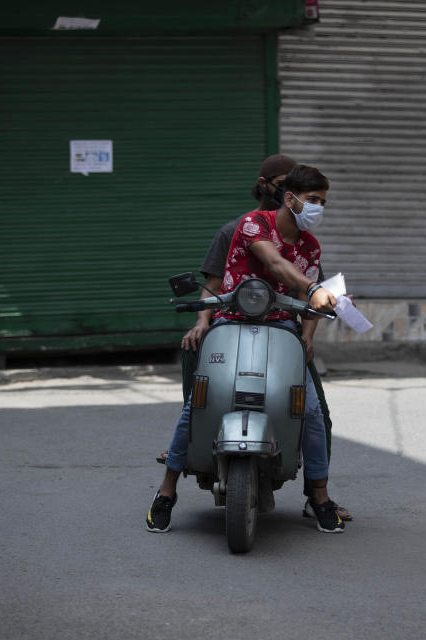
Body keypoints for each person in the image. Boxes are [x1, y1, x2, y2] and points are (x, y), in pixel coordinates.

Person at [147, 164, 347, 534]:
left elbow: (310, 295)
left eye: (323, 201)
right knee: (200, 401)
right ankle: (166, 491)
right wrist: (311, 289)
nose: (318, 206)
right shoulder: (254, 224)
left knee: (313, 413)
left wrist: (309, 333)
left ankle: (318, 496)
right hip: (231, 323)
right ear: (290, 199)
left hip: (283, 332)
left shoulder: (310, 246)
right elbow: (275, 264)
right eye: (312, 199)